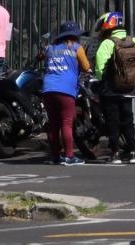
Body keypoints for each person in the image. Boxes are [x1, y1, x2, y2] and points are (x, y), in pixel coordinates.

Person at [91, 12, 135, 164]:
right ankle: (133, 153)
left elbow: (99, 67)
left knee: (113, 121)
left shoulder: (108, 43)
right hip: (129, 89)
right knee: (128, 120)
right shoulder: (133, 40)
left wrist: (100, 79)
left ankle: (115, 153)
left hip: (111, 90)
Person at [41, 21, 92, 166]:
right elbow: (86, 66)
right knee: (66, 123)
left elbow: (46, 65)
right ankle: (69, 156)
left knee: (53, 124)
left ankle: (55, 156)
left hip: (48, 88)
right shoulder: (77, 48)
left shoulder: (50, 48)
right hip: (66, 89)